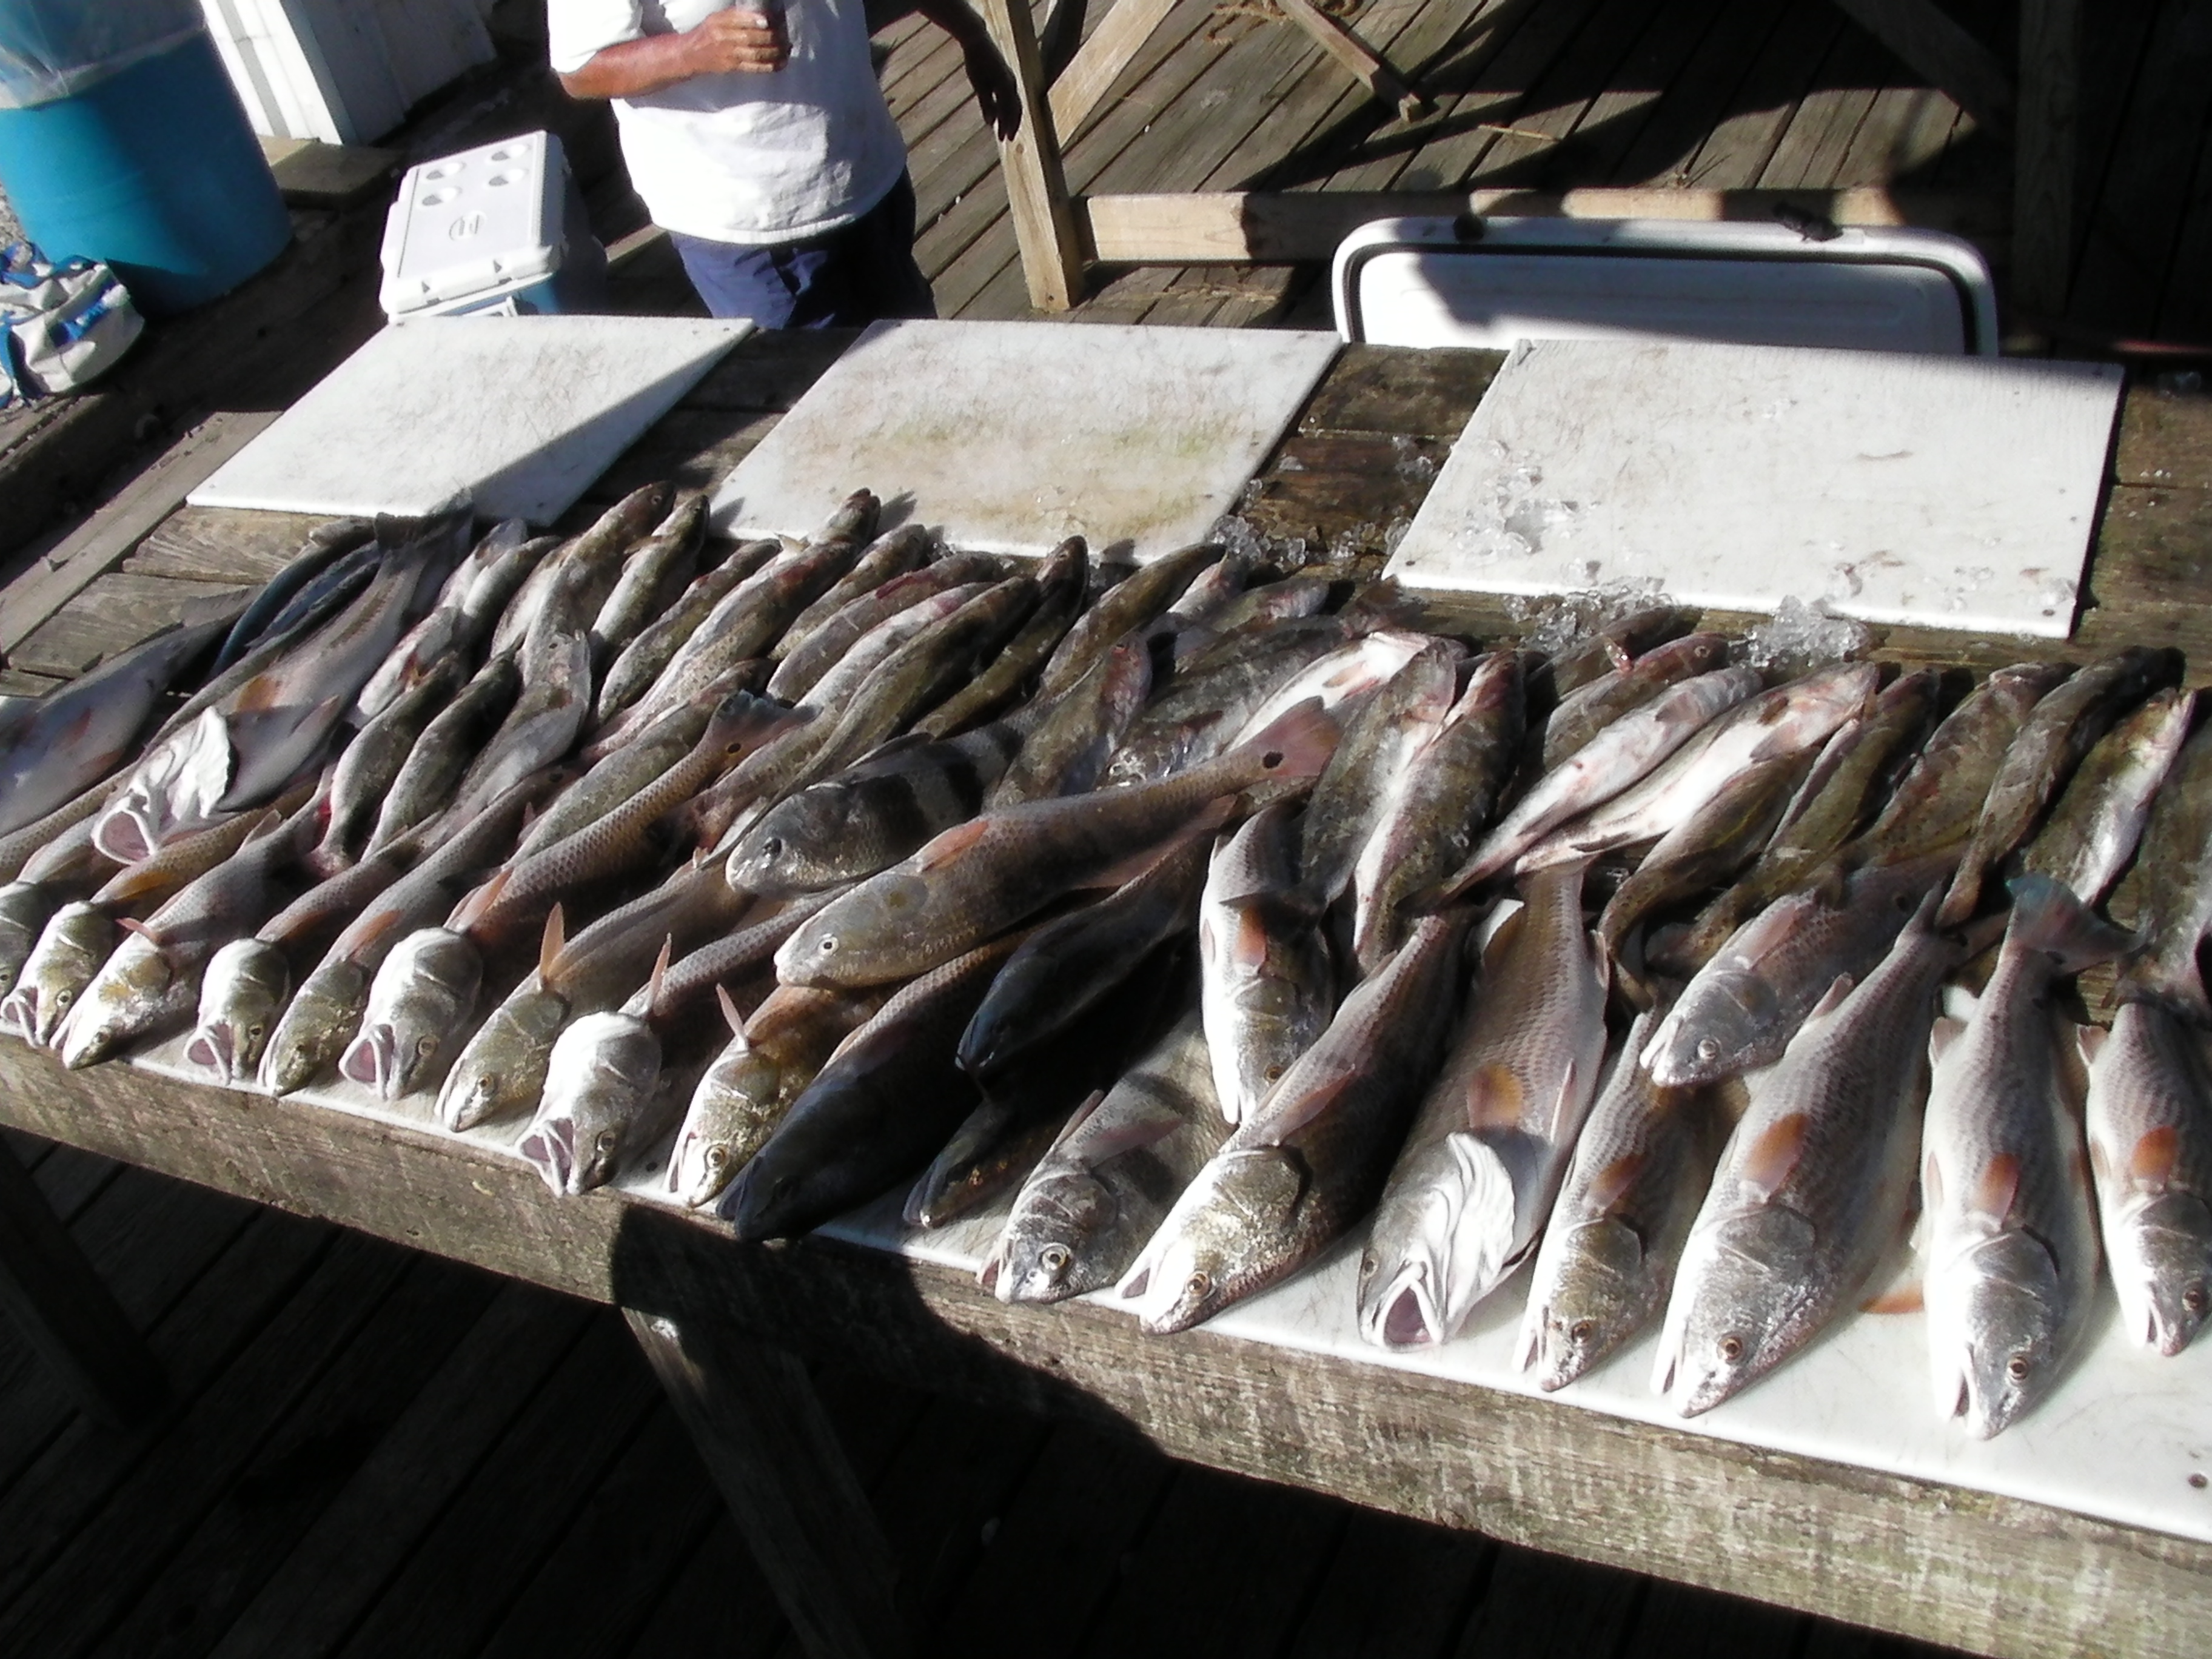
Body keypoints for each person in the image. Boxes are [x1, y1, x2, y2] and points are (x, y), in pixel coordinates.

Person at [549, 0, 1018, 326]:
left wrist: (971, 34)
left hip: (868, 180)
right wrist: (694, 50)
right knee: (813, 410)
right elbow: (580, 70)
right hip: (745, 227)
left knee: (917, 366)